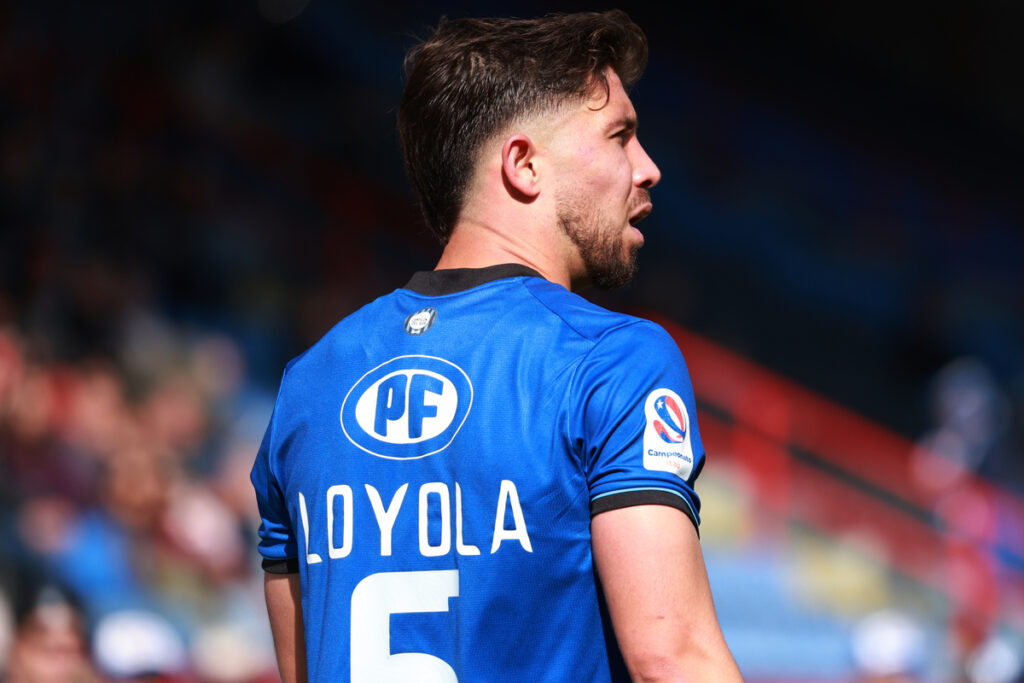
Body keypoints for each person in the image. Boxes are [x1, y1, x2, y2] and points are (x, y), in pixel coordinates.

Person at [251, 10, 743, 682]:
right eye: (620, 136)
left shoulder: (307, 387)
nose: (649, 168)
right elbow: (672, 655)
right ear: (524, 163)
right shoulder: (610, 360)